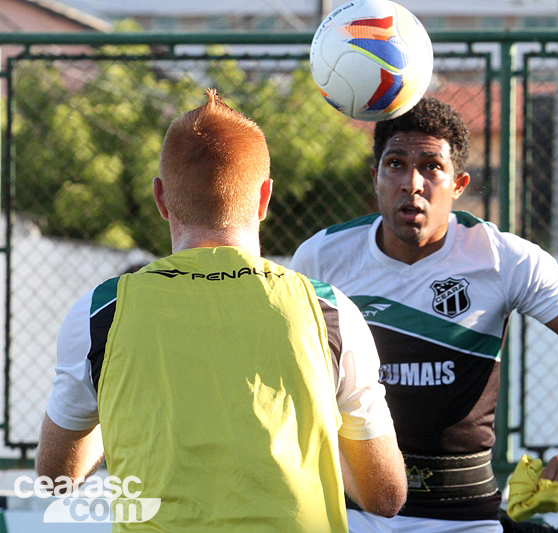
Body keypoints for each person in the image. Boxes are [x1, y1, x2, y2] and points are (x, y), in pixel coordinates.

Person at [35, 89, 407, 533]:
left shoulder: (102, 313)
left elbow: (57, 480)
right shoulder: (329, 309)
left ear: (160, 198)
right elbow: (385, 495)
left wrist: (114, 403)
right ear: (265, 198)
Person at [289, 96, 558, 532]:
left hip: (463, 516)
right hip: (354, 511)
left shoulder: (503, 258)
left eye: (431, 167)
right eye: (395, 164)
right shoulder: (322, 257)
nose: (412, 183)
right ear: (376, 177)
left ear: (458, 185)